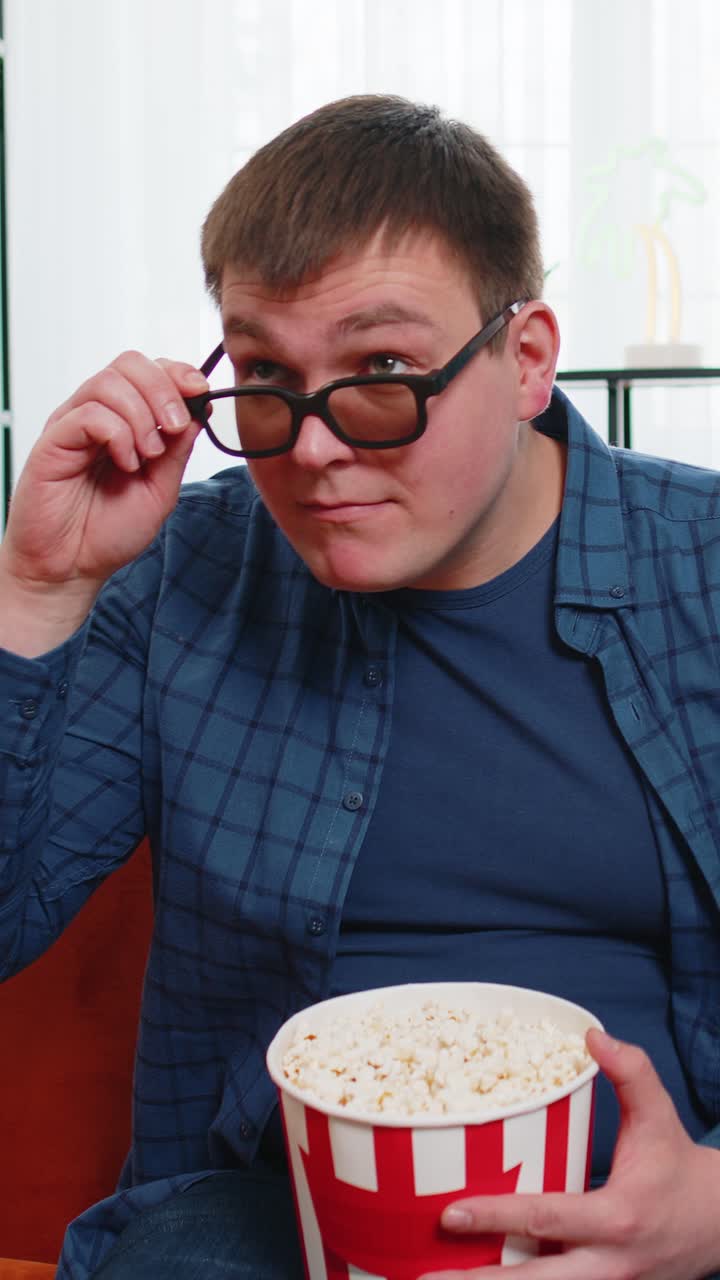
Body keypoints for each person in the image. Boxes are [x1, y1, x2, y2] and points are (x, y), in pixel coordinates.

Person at [1, 93, 720, 1280]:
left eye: (382, 371)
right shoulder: (179, 570)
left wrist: (709, 1208)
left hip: (657, 1216)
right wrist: (35, 592)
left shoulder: (700, 565)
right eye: (267, 374)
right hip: (264, 1220)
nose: (314, 448)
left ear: (526, 359)